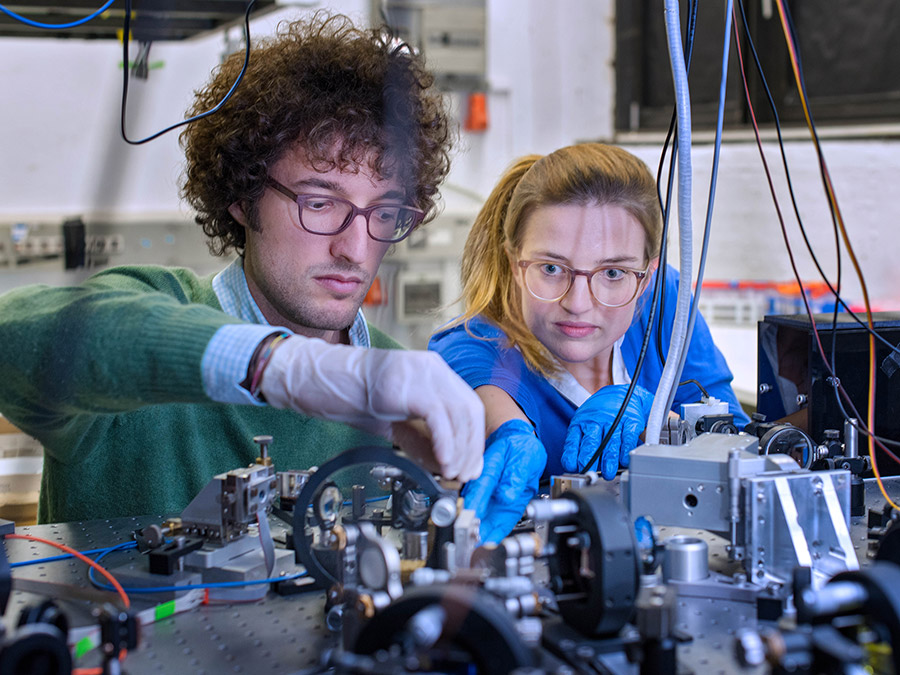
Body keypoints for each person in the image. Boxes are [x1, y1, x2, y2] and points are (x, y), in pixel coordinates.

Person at [0, 12, 485, 524]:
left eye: (384, 213)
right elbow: (14, 339)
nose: (356, 248)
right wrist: (278, 366)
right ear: (242, 195)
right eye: (320, 204)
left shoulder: (398, 392)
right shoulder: (151, 329)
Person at [429, 143, 749, 543]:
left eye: (613, 272)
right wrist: (508, 432)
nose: (577, 303)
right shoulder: (480, 342)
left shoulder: (666, 303)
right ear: (515, 264)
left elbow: (740, 442)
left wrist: (662, 424)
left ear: (647, 277)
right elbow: (476, 379)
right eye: (551, 268)